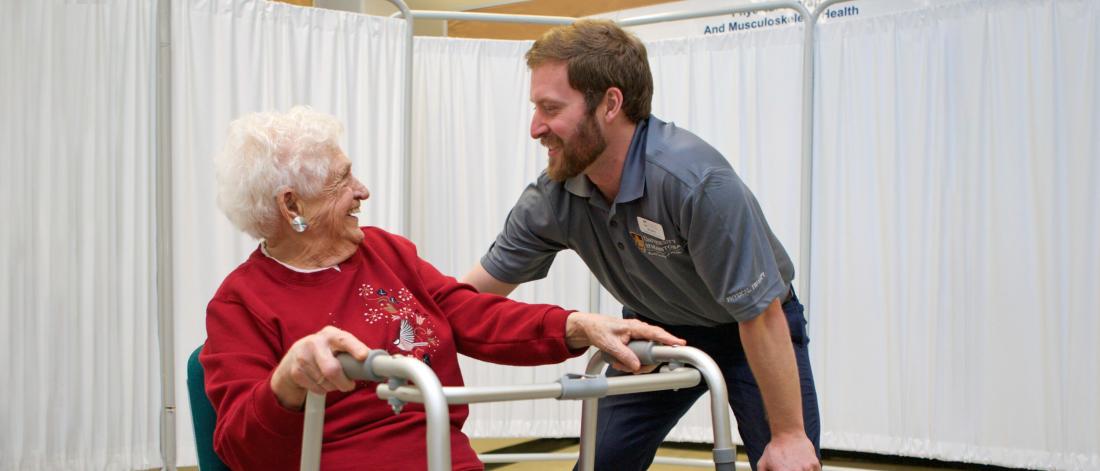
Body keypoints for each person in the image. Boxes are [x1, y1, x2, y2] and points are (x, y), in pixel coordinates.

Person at [201, 106, 686, 471]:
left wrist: (576, 326)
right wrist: (287, 380)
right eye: (342, 180)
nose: (363, 191)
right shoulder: (241, 302)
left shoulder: (384, 251)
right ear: (291, 206)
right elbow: (241, 448)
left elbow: (467, 313)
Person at [461, 20, 821, 471]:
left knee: (787, 461)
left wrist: (789, 435)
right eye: (535, 108)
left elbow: (761, 313)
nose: (536, 128)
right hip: (658, 329)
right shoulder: (554, 196)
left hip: (752, 326)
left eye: (551, 108)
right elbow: (472, 296)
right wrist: (399, 329)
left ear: (610, 103)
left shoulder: (694, 182)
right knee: (601, 462)